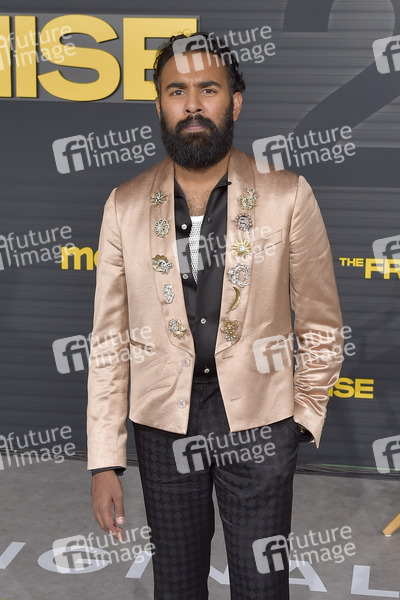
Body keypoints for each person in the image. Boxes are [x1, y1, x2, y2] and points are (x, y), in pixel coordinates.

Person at [87, 32, 343, 600]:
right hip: (163, 427)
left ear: (236, 101)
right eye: (176, 91)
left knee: (261, 586)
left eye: (208, 89)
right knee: (176, 586)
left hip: (261, 423)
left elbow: (321, 321)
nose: (193, 105)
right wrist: (104, 461)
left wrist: (301, 418)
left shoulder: (287, 195)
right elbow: (109, 340)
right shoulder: (125, 204)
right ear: (159, 104)